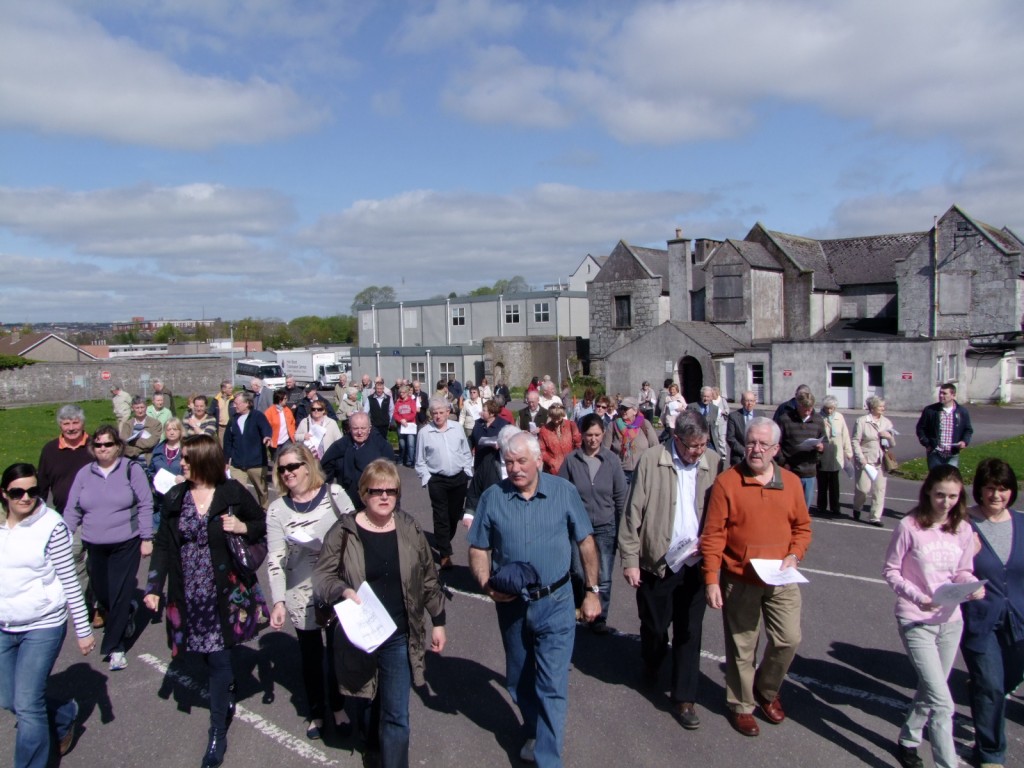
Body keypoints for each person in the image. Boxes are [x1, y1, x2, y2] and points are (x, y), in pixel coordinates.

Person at [468, 430, 602, 766]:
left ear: (539, 460)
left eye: (521, 461)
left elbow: (586, 543)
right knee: (518, 680)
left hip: (556, 603)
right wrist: (486, 584)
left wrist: (591, 592)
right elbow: (478, 548)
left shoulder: (563, 492)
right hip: (512, 606)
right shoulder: (493, 497)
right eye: (508, 462)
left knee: (552, 685)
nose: (514, 469)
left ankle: (547, 759)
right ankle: (536, 730)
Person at [144, 434, 269, 768]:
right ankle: (223, 686)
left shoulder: (231, 493)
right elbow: (163, 545)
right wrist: (154, 587)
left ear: (203, 460)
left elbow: (261, 522)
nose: (180, 464)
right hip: (188, 592)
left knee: (218, 659)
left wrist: (242, 526)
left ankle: (217, 731)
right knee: (200, 653)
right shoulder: (175, 497)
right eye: (181, 458)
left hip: (225, 592)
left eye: (186, 459)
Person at [313, 459, 447, 768]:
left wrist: (438, 620)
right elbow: (322, 579)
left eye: (391, 491)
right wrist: (342, 591)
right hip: (359, 635)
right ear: (363, 493)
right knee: (366, 697)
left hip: (398, 635)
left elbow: (428, 577)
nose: (384, 497)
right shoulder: (344, 530)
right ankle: (371, 744)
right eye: (376, 491)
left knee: (397, 714)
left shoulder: (409, 528)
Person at [700, 417, 812, 738]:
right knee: (742, 646)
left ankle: (766, 689)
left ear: (776, 448)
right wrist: (711, 578)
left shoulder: (790, 483)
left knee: (788, 639)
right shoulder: (727, 482)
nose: (755, 449)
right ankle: (741, 704)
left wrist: (795, 554)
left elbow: (802, 528)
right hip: (740, 578)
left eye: (763, 444)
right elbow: (713, 535)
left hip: (781, 577)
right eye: (751, 442)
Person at [618, 412, 719, 727]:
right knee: (656, 627)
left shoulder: (714, 462)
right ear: (677, 439)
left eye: (702, 445)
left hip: (696, 563)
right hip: (658, 563)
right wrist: (631, 561)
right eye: (692, 446)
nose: (697, 452)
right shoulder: (652, 460)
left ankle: (685, 698)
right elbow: (633, 511)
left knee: (690, 631)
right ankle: (652, 659)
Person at [883, 465, 983, 768]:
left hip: (951, 621)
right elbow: (891, 571)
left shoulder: (963, 528)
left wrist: (971, 586)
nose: (946, 502)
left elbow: (964, 570)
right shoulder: (910, 526)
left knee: (931, 688)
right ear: (928, 491)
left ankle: (910, 737)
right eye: (940, 495)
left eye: (953, 496)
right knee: (942, 703)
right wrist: (919, 597)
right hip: (916, 620)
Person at [1, 462, 96, 767]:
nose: (26, 497)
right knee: (8, 699)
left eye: (33, 491)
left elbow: (70, 579)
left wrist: (83, 629)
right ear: (4, 494)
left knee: (27, 705)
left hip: (43, 625)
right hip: (4, 623)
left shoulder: (51, 526)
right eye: (18, 492)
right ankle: (64, 715)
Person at [266, 444, 353, 741]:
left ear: (307, 466)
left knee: (338, 652)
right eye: (282, 469)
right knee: (311, 656)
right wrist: (277, 600)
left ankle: (339, 706)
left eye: (292, 466)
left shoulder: (335, 494)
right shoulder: (277, 509)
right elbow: (275, 558)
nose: (287, 473)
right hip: (300, 591)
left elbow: (357, 532)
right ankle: (316, 711)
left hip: (337, 586)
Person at [65, 426, 154, 671]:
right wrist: (62, 537)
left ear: (118, 446)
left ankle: (115, 647)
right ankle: (127, 613)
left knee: (120, 592)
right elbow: (72, 508)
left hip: (126, 541)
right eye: (98, 445)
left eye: (108, 444)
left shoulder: (130, 469)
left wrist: (147, 537)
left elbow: (146, 503)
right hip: (94, 542)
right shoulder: (85, 473)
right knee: (102, 591)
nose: (103, 449)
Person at [961, 458, 1024, 768]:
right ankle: (990, 753)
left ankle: (983, 690)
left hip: (1019, 620)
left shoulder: (1022, 523)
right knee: (991, 686)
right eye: (990, 489)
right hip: (980, 619)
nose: (997, 496)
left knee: (1008, 680)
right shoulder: (963, 524)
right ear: (979, 490)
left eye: (1003, 489)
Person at [559, 413, 627, 635]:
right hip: (578, 527)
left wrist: (624, 527)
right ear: (582, 435)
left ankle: (599, 617)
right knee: (578, 572)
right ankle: (581, 608)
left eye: (597, 435)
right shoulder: (571, 460)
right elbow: (562, 493)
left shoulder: (612, 461)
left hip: (606, 525)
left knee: (604, 574)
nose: (593, 439)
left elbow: (620, 497)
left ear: (603, 434)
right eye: (589, 435)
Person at [415, 397, 473, 570]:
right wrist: (427, 478)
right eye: (434, 413)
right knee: (440, 516)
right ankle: (445, 554)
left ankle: (444, 541)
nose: (438, 416)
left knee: (454, 515)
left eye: (441, 412)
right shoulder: (424, 433)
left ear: (448, 412)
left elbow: (465, 451)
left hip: (458, 478)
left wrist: (467, 470)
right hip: (437, 480)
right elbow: (420, 461)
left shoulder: (457, 428)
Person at [321, 412, 396, 511]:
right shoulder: (339, 447)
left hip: (375, 502)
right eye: (355, 428)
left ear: (370, 428)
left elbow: (392, 480)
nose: (359, 432)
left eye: (363, 428)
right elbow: (324, 474)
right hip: (347, 501)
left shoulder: (382, 447)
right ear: (349, 428)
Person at [37, 404, 92, 517]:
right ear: (60, 426)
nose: (71, 428)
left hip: (94, 513)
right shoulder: (50, 450)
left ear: (83, 423)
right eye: (66, 424)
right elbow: (42, 485)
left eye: (75, 423)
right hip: (63, 513)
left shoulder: (96, 446)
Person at [777, 391, 826, 512]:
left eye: (810, 408)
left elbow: (826, 442)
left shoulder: (818, 420)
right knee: (787, 507)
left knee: (804, 509)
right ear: (798, 405)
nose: (808, 411)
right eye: (805, 409)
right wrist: (783, 463)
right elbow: (776, 444)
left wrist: (821, 447)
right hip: (789, 470)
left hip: (809, 471)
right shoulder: (785, 419)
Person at [224, 391, 273, 509]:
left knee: (262, 492)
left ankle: (265, 511)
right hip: (237, 464)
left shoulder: (257, 416)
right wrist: (226, 461)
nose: (234, 406)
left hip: (256, 463)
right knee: (238, 492)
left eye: (237, 403)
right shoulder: (233, 420)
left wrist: (267, 436)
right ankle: (244, 513)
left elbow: (265, 427)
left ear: (247, 403)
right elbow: (227, 442)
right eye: (234, 403)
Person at [852, 396, 896, 527]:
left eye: (883, 406)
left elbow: (892, 444)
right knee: (863, 490)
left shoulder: (887, 422)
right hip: (865, 460)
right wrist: (861, 458)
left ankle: (875, 517)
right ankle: (857, 507)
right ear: (872, 408)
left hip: (881, 461)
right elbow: (855, 441)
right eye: (880, 406)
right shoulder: (861, 421)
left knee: (879, 490)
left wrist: (889, 437)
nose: (883, 408)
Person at [915, 382, 973, 469]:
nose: (941, 396)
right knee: (936, 480)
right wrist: (927, 443)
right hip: (935, 453)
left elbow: (968, 429)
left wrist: (964, 441)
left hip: (952, 454)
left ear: (953, 395)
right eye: (940, 393)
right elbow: (920, 428)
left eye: (944, 393)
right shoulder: (930, 410)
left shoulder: (961, 412)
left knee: (950, 480)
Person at [604, 397, 660, 484]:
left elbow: (655, 447)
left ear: (635, 411)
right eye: (621, 408)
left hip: (642, 471)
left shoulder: (644, 424)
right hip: (620, 472)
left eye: (626, 408)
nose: (623, 411)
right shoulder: (613, 425)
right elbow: (605, 449)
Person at [816, 396, 852, 518]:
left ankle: (835, 507)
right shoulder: (818, 417)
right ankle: (821, 506)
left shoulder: (839, 417)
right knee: (822, 482)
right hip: (823, 454)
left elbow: (845, 435)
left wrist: (848, 451)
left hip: (836, 453)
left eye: (832, 408)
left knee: (834, 483)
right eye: (827, 408)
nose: (829, 411)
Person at [149, 418, 185, 531]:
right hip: (161, 497)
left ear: (180, 431)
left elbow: (196, 471)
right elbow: (150, 470)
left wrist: (185, 478)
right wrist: (154, 481)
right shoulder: (158, 449)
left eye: (175, 429)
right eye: (168, 429)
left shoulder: (186, 449)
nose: (172, 432)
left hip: (181, 497)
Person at [538, 403, 581, 476]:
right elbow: (541, 450)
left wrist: (574, 459)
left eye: (558, 418)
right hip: (553, 470)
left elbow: (578, 445)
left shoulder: (571, 425)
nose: (556, 421)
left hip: (571, 466)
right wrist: (550, 461)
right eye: (553, 418)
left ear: (563, 415)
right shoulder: (544, 430)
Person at [295, 394, 342, 460]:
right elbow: (296, 436)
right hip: (309, 458)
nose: (316, 411)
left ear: (324, 411)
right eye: (313, 409)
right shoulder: (304, 422)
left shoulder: (331, 423)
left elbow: (339, 440)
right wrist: (303, 436)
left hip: (327, 457)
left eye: (319, 409)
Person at [119, 395, 162, 462]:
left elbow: (151, 443)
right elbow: (123, 444)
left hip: (148, 461)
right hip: (130, 461)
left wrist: (132, 442)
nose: (140, 410)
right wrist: (142, 449)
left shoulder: (155, 424)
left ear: (146, 407)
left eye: (142, 407)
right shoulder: (127, 425)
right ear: (132, 408)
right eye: (137, 408)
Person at [725, 391, 758, 466]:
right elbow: (730, 438)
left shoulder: (761, 415)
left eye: (752, 401)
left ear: (755, 402)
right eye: (747, 401)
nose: (749, 404)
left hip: (757, 456)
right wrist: (744, 451)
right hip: (739, 457)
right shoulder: (733, 416)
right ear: (742, 402)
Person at [686, 387, 722, 456]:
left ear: (711, 397)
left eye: (708, 397)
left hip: (709, 442)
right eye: (704, 396)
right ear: (701, 396)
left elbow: (715, 427)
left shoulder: (715, 409)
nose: (705, 399)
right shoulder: (691, 407)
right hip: (696, 441)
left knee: (713, 460)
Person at [264, 389, 297, 463]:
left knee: (287, 460)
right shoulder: (269, 412)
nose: (286, 400)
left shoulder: (287, 410)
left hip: (287, 440)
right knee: (277, 462)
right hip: (275, 442)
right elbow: (265, 427)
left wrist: (293, 434)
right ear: (279, 399)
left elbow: (292, 423)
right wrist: (269, 439)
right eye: (285, 398)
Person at [393, 385, 419, 468]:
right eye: (400, 392)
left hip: (410, 426)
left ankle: (411, 461)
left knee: (411, 444)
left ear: (407, 393)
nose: (401, 394)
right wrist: (401, 420)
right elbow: (395, 414)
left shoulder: (412, 402)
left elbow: (413, 413)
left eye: (403, 392)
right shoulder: (398, 402)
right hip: (401, 426)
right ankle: (401, 459)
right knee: (402, 444)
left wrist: (405, 419)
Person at [211, 380, 235, 446]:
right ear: (223, 389)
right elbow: (211, 412)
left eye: (231, 388)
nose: (231, 389)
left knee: (233, 444)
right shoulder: (216, 400)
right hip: (221, 427)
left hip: (232, 426)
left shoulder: (234, 399)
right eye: (229, 388)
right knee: (222, 445)